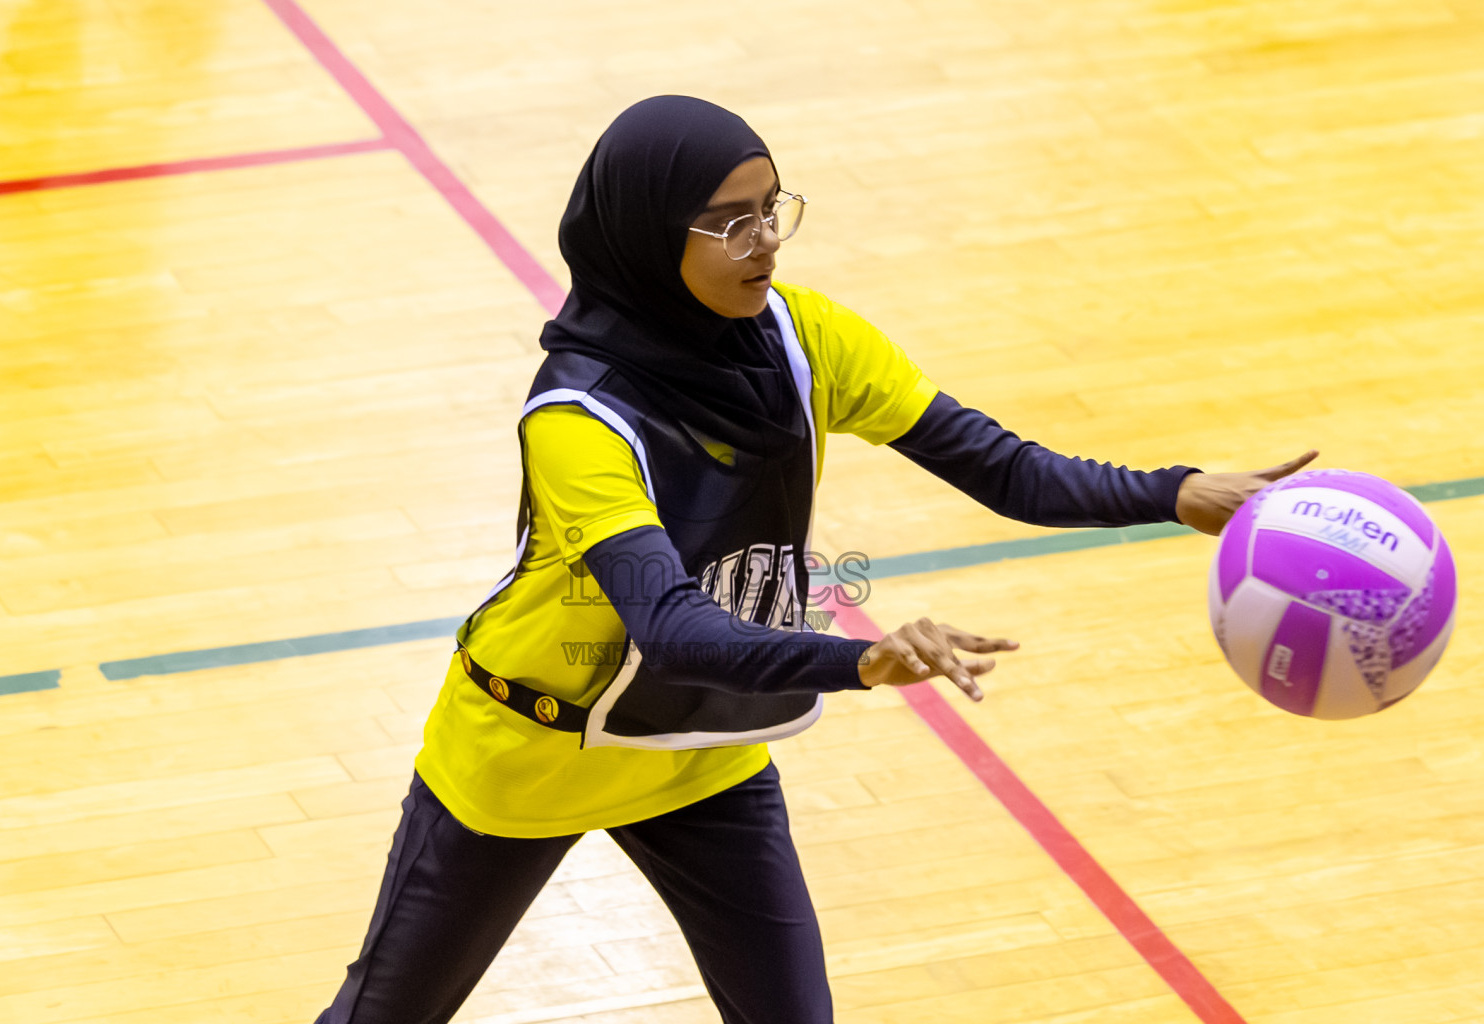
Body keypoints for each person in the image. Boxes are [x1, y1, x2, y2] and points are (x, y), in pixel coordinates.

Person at [313, 95, 1315, 1024]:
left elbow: (1001, 468)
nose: (765, 244)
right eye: (730, 221)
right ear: (651, 237)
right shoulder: (579, 419)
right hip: (529, 751)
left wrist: (1172, 491)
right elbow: (671, 629)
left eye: (772, 208)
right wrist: (857, 658)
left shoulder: (808, 341)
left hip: (697, 751)